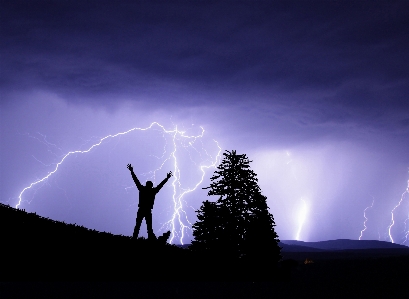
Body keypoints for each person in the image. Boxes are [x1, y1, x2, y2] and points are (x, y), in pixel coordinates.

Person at [127, 163, 172, 239]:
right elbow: (160, 185)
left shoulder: (142, 189)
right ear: (151, 185)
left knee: (139, 225)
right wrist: (167, 178)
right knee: (148, 227)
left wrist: (132, 171)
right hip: (147, 210)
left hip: (142, 209)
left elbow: (136, 180)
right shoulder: (152, 191)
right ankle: (148, 240)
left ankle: (135, 238)